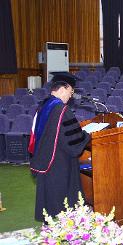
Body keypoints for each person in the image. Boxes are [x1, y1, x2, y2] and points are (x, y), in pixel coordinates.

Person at [29, 72, 91, 221]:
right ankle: (62, 222)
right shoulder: (62, 110)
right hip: (59, 159)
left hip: (45, 155)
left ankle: (47, 218)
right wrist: (86, 135)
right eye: (71, 91)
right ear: (64, 88)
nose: (71, 95)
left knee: (48, 190)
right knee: (62, 191)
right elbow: (72, 141)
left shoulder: (44, 104)